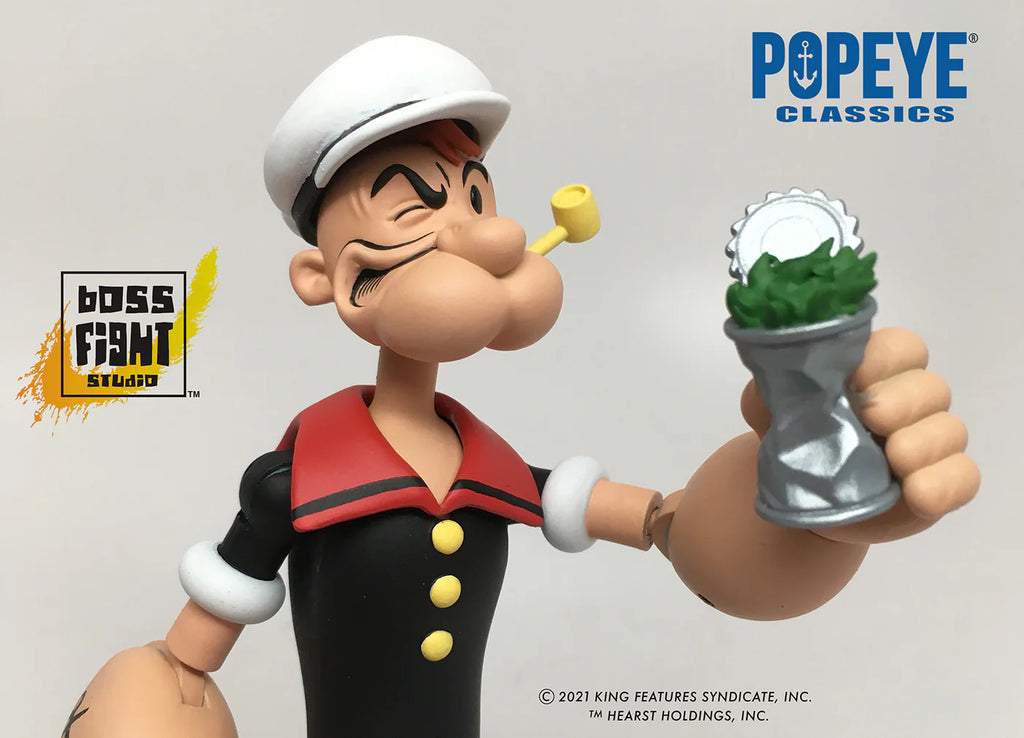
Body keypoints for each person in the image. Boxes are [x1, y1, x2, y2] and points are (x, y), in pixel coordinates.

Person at [66, 36, 978, 738]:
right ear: (329, 280)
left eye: (477, 198)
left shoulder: (486, 466)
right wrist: (172, 677)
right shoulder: (293, 482)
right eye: (417, 206)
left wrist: (807, 496)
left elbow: (672, 529)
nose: (493, 238)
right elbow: (204, 635)